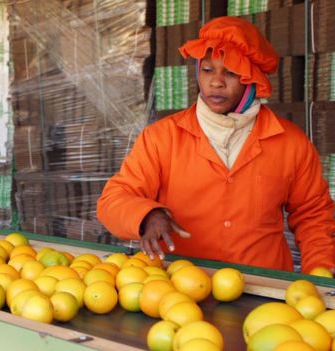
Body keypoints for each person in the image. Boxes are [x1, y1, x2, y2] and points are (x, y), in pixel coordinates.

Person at [97, 16, 335, 274]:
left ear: (251, 78)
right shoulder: (161, 138)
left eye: (231, 72)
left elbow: (313, 217)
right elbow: (113, 200)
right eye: (208, 70)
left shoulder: (291, 143)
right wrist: (145, 215)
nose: (216, 82)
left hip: (265, 290)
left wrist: (319, 276)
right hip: (179, 287)